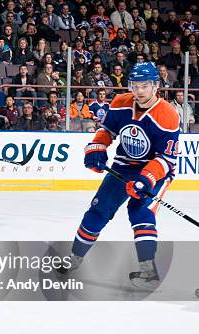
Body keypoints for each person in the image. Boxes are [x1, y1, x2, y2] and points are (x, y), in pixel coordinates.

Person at [57, 62, 180, 289]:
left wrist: (145, 180)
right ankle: (75, 260)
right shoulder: (120, 102)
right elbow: (107, 131)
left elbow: (166, 158)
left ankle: (148, 271)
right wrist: (97, 148)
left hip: (156, 171)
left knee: (140, 211)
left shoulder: (168, 115)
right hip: (123, 167)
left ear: (155, 86)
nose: (139, 91)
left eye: (145, 86)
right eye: (135, 85)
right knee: (98, 210)